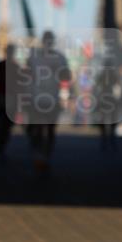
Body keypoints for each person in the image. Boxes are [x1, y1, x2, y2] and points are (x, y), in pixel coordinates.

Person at [26, 31, 72, 174]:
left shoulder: (35, 56)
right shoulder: (59, 57)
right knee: (46, 129)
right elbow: (67, 75)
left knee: (43, 128)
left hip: (42, 98)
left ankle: (42, 155)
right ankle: (43, 156)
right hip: (44, 98)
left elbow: (26, 75)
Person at [0, 45, 18, 159]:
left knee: (0, 121)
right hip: (9, 98)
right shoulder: (15, 67)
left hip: (0, 96)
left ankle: (0, 142)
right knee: (6, 123)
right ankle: (2, 142)